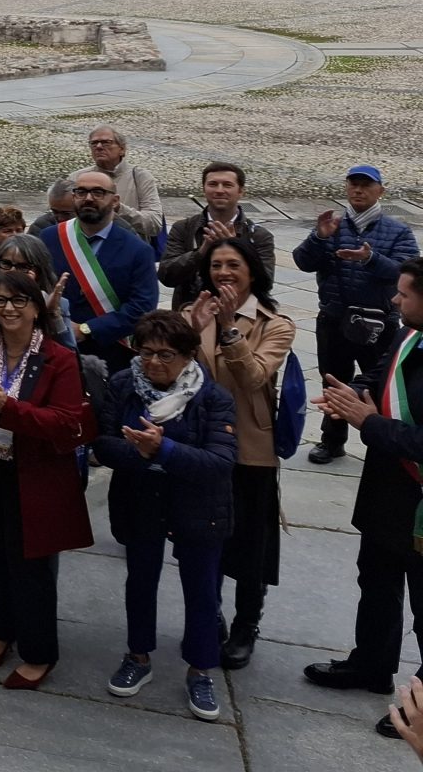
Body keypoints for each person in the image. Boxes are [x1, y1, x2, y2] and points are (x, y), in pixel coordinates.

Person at [0, 271, 94, 690]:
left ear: (37, 308)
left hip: (36, 479)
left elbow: (67, 421)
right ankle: (0, 631)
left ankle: (38, 653)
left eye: (19, 301)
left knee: (31, 569)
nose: (9, 309)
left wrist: (10, 409)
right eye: (0, 301)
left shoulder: (58, 358)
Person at [94, 309, 236, 721]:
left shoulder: (212, 397)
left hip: (199, 504)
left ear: (190, 356)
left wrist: (164, 450)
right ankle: (137, 655)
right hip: (142, 498)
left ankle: (200, 669)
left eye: (166, 355)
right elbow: (103, 442)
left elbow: (221, 460)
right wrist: (137, 453)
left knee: (201, 588)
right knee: (140, 579)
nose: (154, 363)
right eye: (146, 353)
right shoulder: (124, 384)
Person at [305, 256, 423, 740]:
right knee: (375, 577)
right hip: (386, 487)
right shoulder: (407, 333)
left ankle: (419, 708)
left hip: (419, 501)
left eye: (405, 293)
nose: (394, 300)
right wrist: (348, 392)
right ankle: (371, 665)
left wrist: (368, 421)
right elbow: (376, 372)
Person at [184, 235, 295, 669]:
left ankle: (247, 623)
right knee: (202, 536)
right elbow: (171, 366)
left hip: (250, 446)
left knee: (250, 542)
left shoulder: (275, 324)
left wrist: (230, 329)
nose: (224, 273)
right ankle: (208, 615)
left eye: (233, 265)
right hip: (202, 442)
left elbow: (253, 378)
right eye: (216, 265)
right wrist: (193, 329)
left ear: (252, 271)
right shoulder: (195, 313)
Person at [297, 165, 419, 463]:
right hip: (334, 318)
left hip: (378, 322)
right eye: (354, 184)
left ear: (381, 191)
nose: (359, 190)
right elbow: (302, 261)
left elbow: (406, 274)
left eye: (366, 185)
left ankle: (385, 440)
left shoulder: (398, 230)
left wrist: (370, 259)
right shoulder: (334, 226)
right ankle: (332, 440)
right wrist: (318, 238)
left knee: (383, 383)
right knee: (334, 380)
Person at [46, 169, 160, 374]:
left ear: (115, 201)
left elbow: (142, 306)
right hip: (53, 349)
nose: (88, 198)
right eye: (81, 192)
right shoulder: (49, 238)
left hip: (112, 354)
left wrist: (86, 330)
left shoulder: (138, 250)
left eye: (98, 192)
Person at [159, 163, 277, 300]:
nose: (220, 190)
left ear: (241, 191)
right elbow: (167, 276)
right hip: (191, 311)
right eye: (213, 184)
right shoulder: (184, 228)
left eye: (227, 185)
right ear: (204, 189)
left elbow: (265, 283)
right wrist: (202, 252)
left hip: (240, 313)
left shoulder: (259, 236)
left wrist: (237, 249)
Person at [76, 126, 163, 241]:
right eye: (94, 143)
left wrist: (119, 208)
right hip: (84, 247)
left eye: (106, 142)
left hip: (128, 248)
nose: (98, 147)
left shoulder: (140, 177)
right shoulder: (77, 178)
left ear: (122, 149)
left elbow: (154, 224)